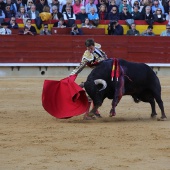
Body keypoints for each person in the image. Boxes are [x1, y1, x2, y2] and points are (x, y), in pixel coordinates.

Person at [70, 39, 108, 119]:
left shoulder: (97, 47)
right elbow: (81, 66)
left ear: (94, 45)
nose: (90, 50)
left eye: (91, 48)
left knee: (99, 93)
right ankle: (87, 114)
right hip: (96, 75)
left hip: (104, 73)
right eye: (88, 49)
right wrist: (72, 74)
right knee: (92, 93)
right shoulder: (87, 55)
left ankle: (95, 111)